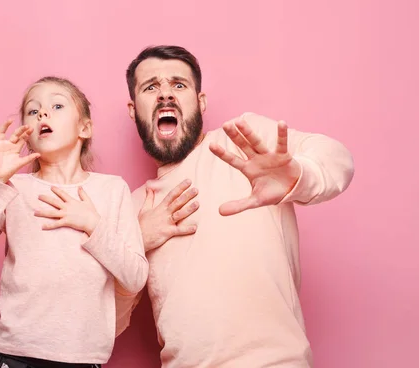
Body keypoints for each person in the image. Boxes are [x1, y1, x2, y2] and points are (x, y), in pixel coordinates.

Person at [115, 46, 355, 367]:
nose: (165, 95)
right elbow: (106, 325)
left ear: (200, 102)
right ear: (134, 109)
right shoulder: (132, 208)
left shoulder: (243, 141)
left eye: (179, 85)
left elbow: (335, 158)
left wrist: (298, 175)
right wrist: (135, 245)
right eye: (151, 87)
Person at [0, 76, 148, 368]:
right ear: (27, 134)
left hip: (82, 357)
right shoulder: (14, 188)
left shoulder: (112, 190)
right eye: (33, 110)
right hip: (16, 353)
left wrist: (92, 224)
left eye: (57, 105)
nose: (43, 113)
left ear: (84, 128)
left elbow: (135, 277)